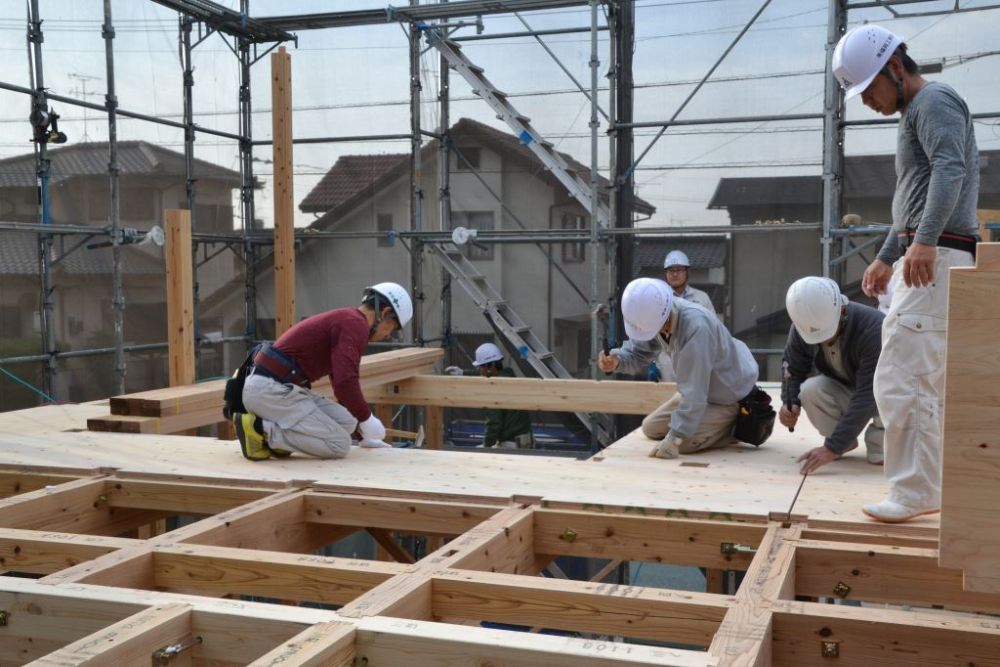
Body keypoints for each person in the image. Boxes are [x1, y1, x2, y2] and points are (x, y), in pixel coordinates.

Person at [833, 25, 979, 522]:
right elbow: (914, 201)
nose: (868, 101)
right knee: (918, 375)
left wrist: (925, 242)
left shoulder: (934, 101)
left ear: (896, 66)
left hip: (938, 258)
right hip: (928, 255)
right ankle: (924, 485)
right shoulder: (914, 113)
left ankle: (916, 492)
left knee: (904, 373)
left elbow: (949, 169)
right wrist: (888, 254)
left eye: (869, 88)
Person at [232, 282, 413, 461]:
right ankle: (260, 429)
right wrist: (367, 418)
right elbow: (345, 381)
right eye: (393, 328)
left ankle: (278, 439)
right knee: (339, 445)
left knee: (348, 422)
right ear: (385, 313)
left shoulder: (349, 321)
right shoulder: (355, 324)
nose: (389, 335)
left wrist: (363, 433)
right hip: (270, 391)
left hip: (277, 387)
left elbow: (339, 381)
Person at [598, 277, 759, 459]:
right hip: (701, 389)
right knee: (651, 428)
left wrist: (674, 439)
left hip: (729, 394)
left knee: (685, 444)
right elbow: (638, 352)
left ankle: (735, 424)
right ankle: (707, 425)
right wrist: (617, 360)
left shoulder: (696, 328)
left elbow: (695, 392)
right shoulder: (657, 314)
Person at [781, 277, 885, 474]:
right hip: (852, 387)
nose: (824, 339)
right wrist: (790, 401)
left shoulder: (873, 329)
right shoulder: (804, 325)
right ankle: (845, 442)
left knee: (883, 453)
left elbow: (868, 395)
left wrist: (832, 447)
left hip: (883, 394)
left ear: (842, 311)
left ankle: (880, 440)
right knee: (809, 391)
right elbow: (791, 369)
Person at [445, 343, 534, 449]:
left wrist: (486, 446)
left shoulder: (495, 389)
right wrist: (463, 373)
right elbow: (484, 375)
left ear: (490, 367)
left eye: (480, 367)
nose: (478, 370)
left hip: (511, 444)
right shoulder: (508, 375)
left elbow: (494, 424)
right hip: (524, 440)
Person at [654, 250, 717, 382]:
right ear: (666, 274)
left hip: (696, 362)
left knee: (694, 399)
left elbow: (714, 331)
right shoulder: (657, 299)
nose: (675, 274)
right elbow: (649, 334)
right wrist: (651, 363)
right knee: (669, 401)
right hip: (667, 366)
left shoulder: (702, 298)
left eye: (679, 269)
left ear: (687, 272)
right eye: (671, 270)